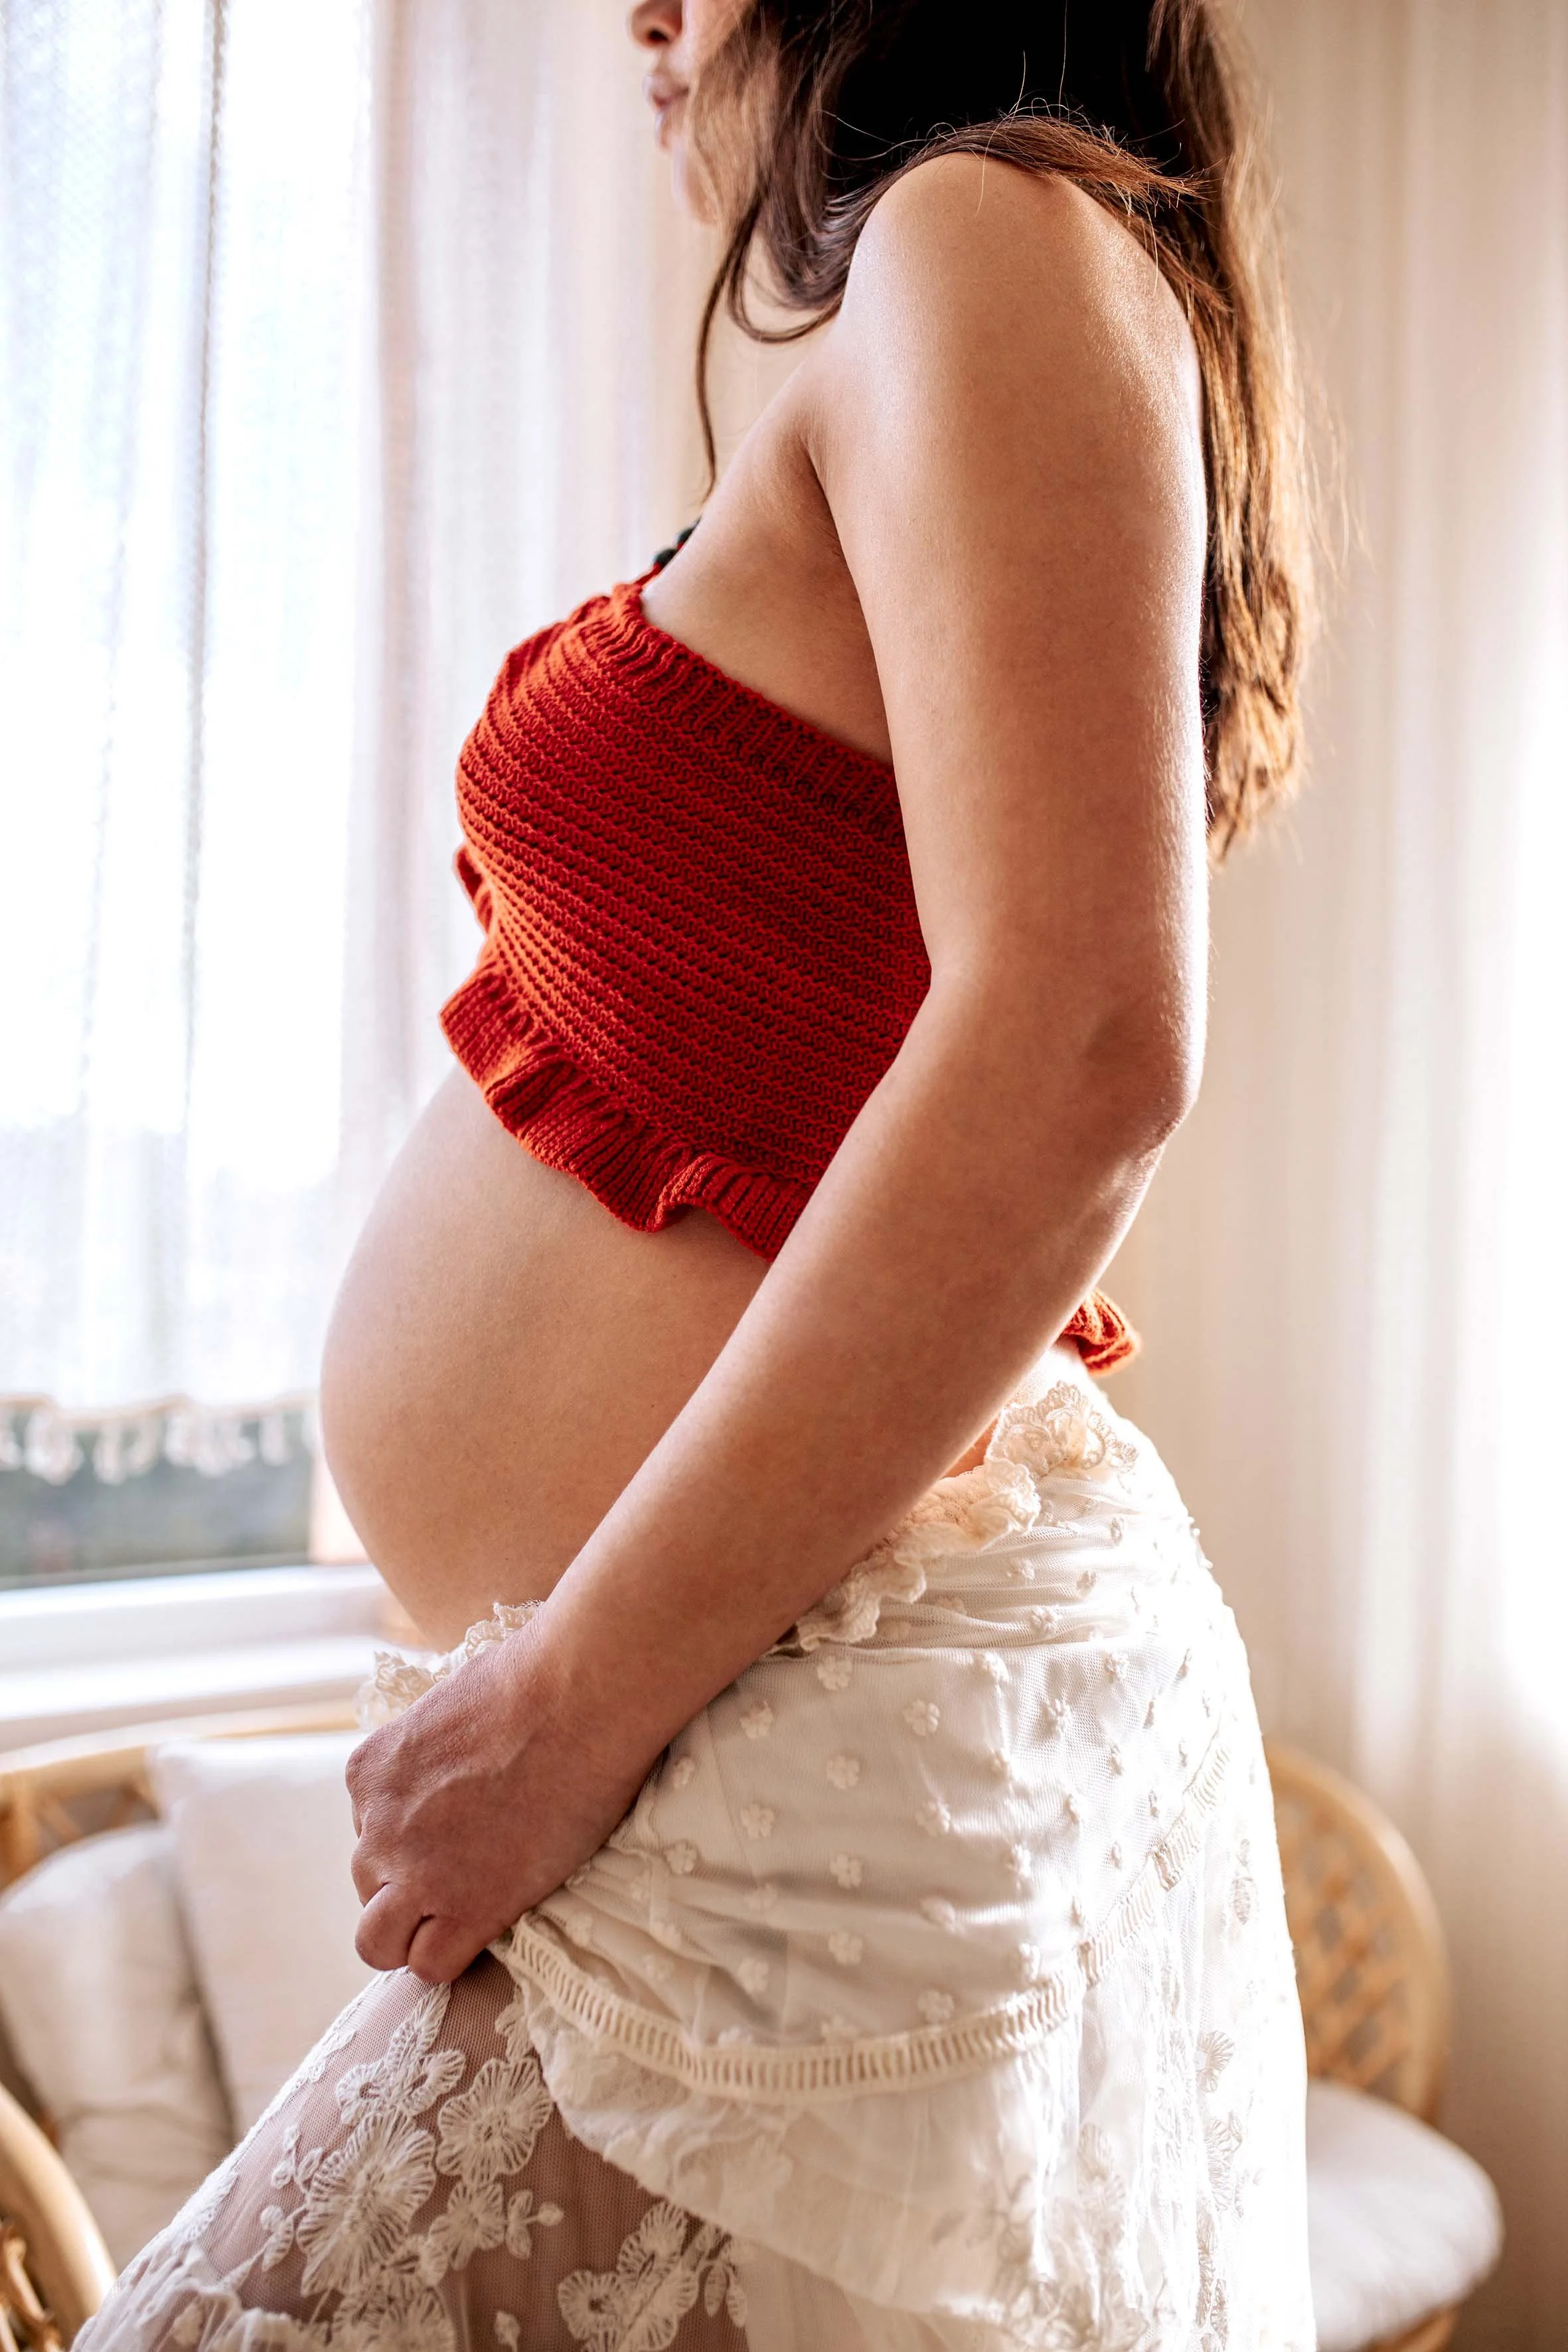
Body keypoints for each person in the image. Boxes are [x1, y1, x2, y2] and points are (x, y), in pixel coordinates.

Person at [82, 2, 1316, 2345]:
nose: (636, 12)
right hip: (745, 1711)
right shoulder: (947, 295)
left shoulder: (994, 234)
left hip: (784, 1719)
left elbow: (1080, 1045)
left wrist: (558, 1717)